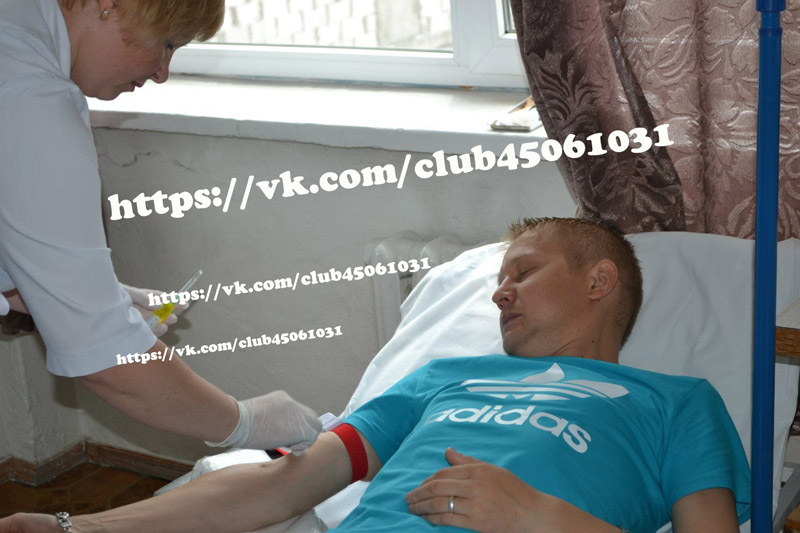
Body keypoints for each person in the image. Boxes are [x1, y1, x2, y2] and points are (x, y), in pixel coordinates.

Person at [0, 217, 750, 532]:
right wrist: (72, 527)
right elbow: (284, 484)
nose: (498, 293)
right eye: (497, 279)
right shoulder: (445, 377)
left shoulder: (676, 403)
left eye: (522, 272)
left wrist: (540, 517)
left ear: (599, 282)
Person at [0, 0, 320, 455]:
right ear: (108, 5)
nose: (161, 72)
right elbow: (104, 357)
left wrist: (90, 296)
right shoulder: (31, 97)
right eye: (166, 44)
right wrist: (243, 421)